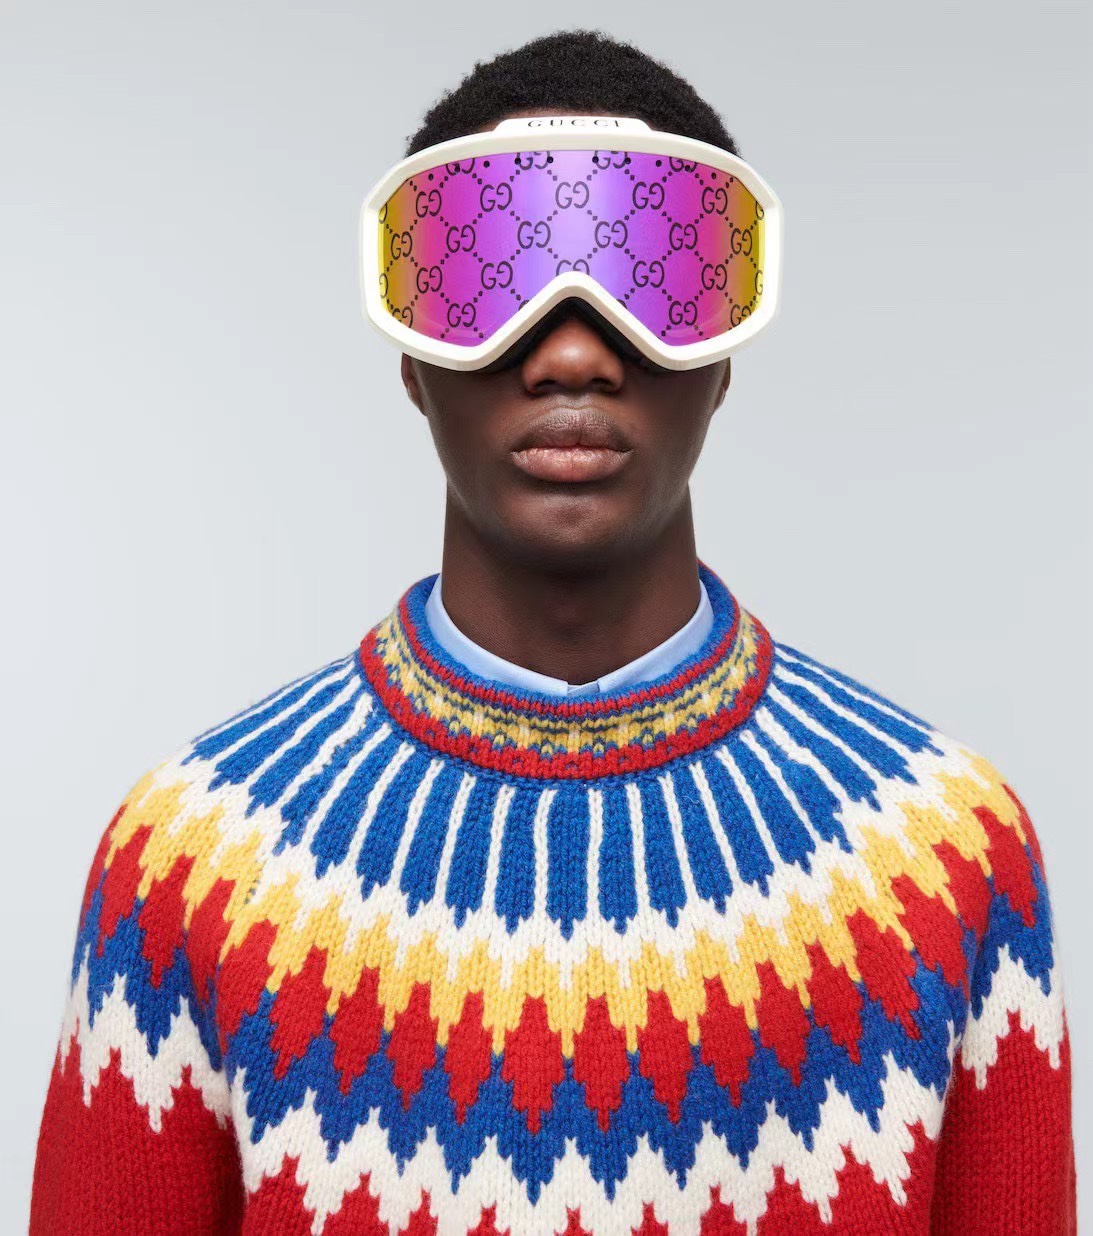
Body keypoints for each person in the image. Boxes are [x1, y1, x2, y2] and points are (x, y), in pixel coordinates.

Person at [30, 29, 1076, 1236]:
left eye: (651, 273)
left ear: (723, 353)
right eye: (490, 274)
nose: (572, 348)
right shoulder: (191, 863)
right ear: (410, 355)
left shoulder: (945, 855)